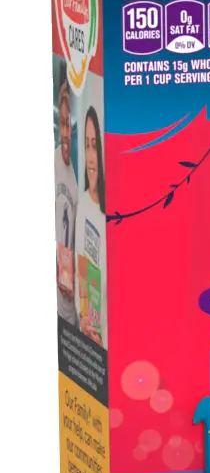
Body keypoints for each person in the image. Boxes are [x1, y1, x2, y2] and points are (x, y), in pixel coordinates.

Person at [74, 104, 107, 346]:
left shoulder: (115, 211)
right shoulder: (83, 204)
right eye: (87, 145)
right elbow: (82, 269)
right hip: (93, 336)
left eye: (94, 145)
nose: (90, 156)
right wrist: (85, 318)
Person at [54, 79, 78, 326]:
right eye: (61, 123)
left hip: (71, 311)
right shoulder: (52, 164)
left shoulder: (76, 184)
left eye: (67, 124)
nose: (64, 133)